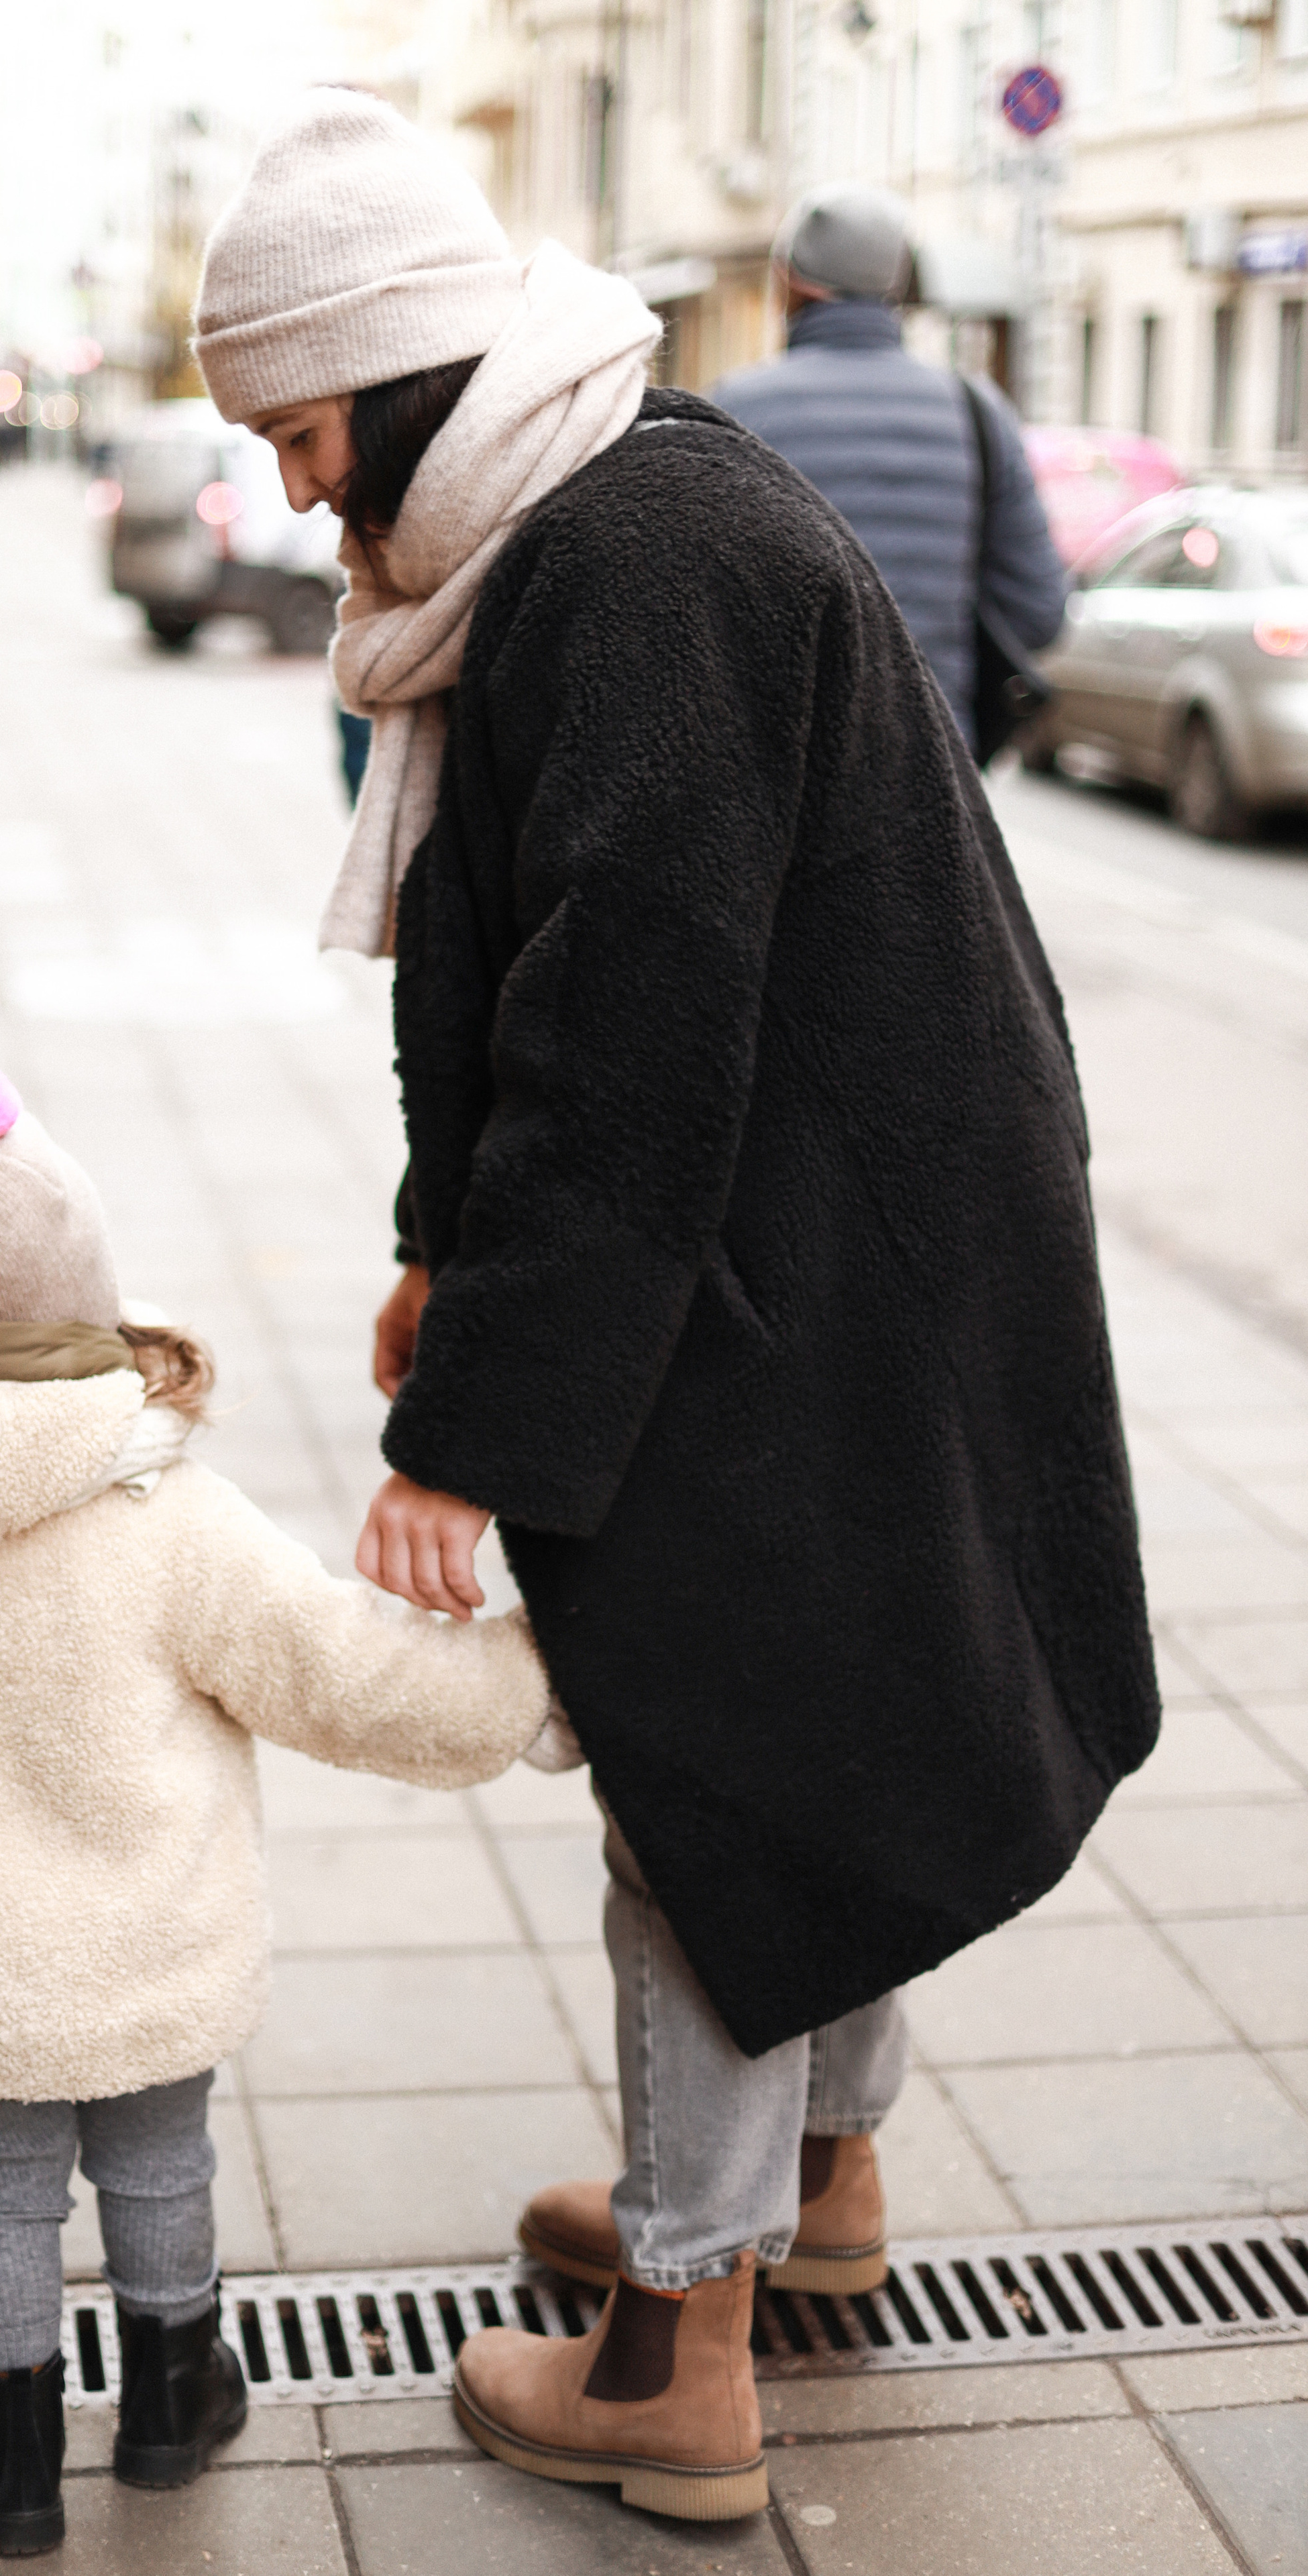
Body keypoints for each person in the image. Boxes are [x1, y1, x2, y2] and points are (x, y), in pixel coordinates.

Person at [194, 94, 1158, 2527]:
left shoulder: (625, 559)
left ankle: (673, 2347)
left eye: (304, 436)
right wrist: (447, 1248)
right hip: (845, 1238)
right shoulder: (596, 506)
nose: (307, 498)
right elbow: (530, 991)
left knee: (706, 1761)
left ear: (402, 377)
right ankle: (807, 2205)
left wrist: (468, 1441)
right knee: (842, 1719)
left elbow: (616, 1063)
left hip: (805, 1263)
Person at [0, 1049, 551, 2561]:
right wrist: (527, 1686)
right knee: (158, 2159)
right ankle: (167, 2395)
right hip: (151, 1946)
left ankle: (8, 2453)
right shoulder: (165, 1512)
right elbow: (339, 1673)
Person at [712, 183, 1066, 755]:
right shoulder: (977, 413)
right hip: (933, 758)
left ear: (788, 281)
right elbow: (1041, 612)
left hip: (777, 761)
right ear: (899, 288)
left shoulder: (736, 411)